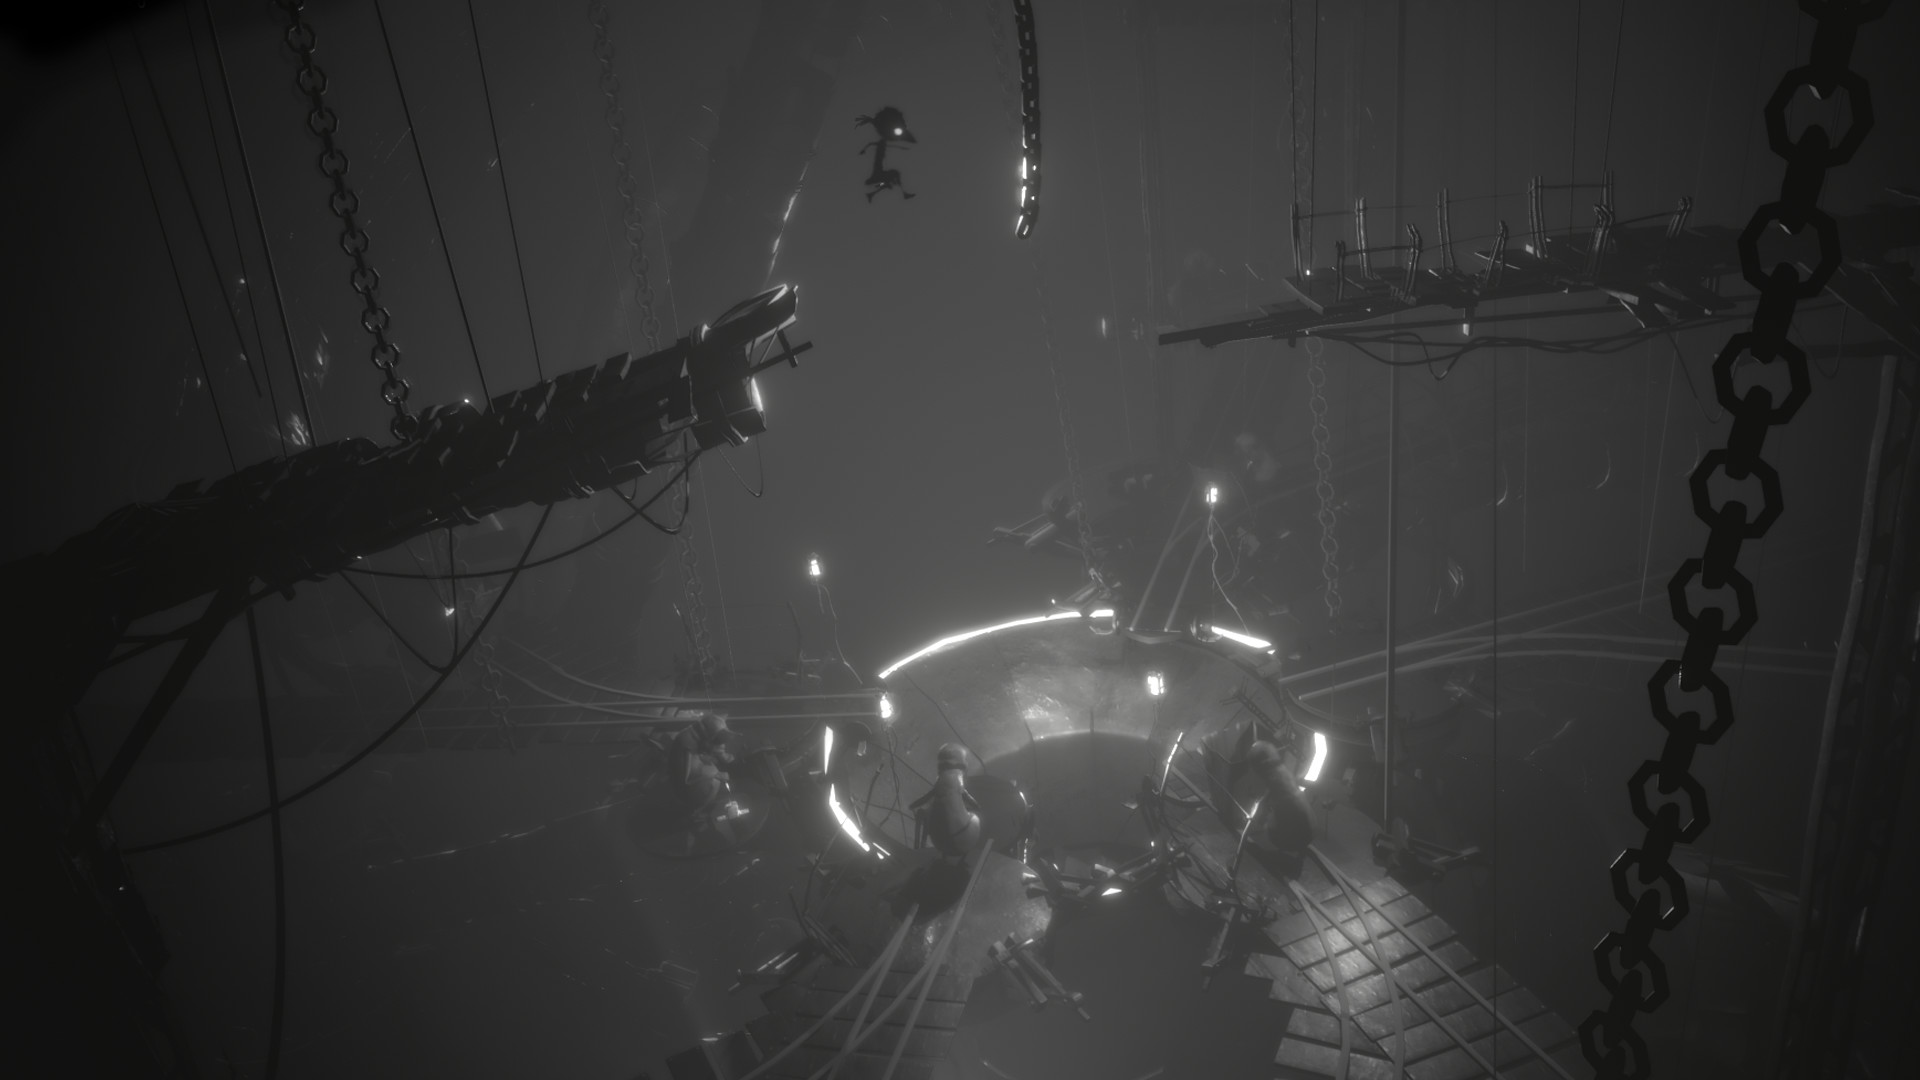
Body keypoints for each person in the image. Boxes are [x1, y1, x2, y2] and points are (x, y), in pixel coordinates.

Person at [1246, 740, 1314, 876]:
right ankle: (1297, 848)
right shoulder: (1284, 771)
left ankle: (1280, 856)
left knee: (1267, 825)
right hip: (1311, 828)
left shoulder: (1271, 779)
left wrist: (1255, 818)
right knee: (1283, 813)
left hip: (1290, 839)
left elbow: (1260, 809)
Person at [911, 743, 981, 858]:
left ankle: (921, 848)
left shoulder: (941, 780)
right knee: (975, 817)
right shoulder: (957, 776)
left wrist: (914, 805)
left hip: (940, 841)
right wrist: (977, 807)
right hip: (962, 836)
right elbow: (966, 795)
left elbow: (927, 797)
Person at [669, 713, 738, 823]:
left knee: (713, 766)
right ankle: (694, 813)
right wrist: (716, 774)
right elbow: (687, 776)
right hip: (683, 789)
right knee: (714, 784)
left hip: (687, 770)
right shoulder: (687, 744)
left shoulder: (693, 736)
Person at [855, 106, 917, 202]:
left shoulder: (884, 140)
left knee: (891, 179)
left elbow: (909, 138)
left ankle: (872, 194)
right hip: (878, 172)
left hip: (879, 170)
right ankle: (900, 193)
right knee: (892, 176)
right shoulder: (882, 142)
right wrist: (864, 149)